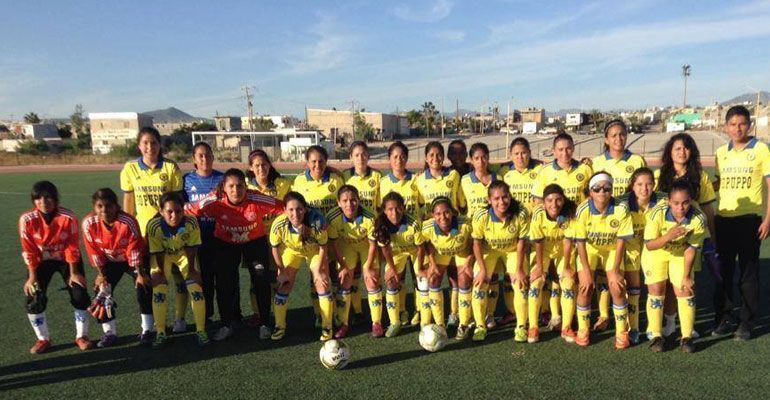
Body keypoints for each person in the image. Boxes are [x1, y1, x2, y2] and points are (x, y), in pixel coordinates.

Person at [186, 168, 285, 341]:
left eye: (240, 186)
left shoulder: (256, 199)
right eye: (231, 186)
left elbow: (285, 207)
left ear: (246, 187)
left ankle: (264, 323)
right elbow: (189, 210)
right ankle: (227, 324)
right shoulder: (214, 200)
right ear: (223, 187)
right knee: (225, 283)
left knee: (261, 279)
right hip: (225, 243)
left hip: (254, 242)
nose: (236, 190)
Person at [120, 126, 185, 342]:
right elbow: (128, 205)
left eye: (154, 142)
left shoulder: (170, 167)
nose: (150, 147)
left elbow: (177, 203)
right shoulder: (130, 169)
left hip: (169, 232)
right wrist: (130, 231)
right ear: (139, 145)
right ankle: (151, 326)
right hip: (143, 235)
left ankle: (179, 320)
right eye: (145, 143)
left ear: (160, 145)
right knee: (147, 279)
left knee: (176, 276)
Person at [712, 105, 770, 340]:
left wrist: (768, 219)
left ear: (750, 125)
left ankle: (746, 323)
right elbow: (717, 185)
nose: (737, 128)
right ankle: (725, 317)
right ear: (726, 127)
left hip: (749, 221)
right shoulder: (720, 153)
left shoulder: (761, 150)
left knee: (748, 274)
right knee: (722, 273)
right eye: (733, 124)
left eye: (742, 123)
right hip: (723, 219)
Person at [19, 181, 92, 354]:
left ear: (56, 199)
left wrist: (74, 273)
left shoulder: (68, 217)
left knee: (79, 293)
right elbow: (29, 249)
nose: (44, 201)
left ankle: (82, 336)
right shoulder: (27, 220)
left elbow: (72, 246)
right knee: (34, 298)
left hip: (66, 260)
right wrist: (32, 277)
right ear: (34, 200)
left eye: (48, 197)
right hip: (40, 262)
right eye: (39, 198)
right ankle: (43, 339)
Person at [655, 133, 716, 338]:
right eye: (677, 148)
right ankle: (670, 323)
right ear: (670, 152)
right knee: (670, 285)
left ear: (692, 151)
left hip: (692, 236)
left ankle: (688, 326)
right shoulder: (659, 176)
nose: (682, 152)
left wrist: (712, 238)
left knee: (687, 279)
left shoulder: (700, 176)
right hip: (667, 237)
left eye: (686, 148)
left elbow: (707, 208)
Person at [81, 188, 152, 348]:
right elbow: (93, 251)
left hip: (132, 260)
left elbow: (135, 249)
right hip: (109, 262)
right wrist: (101, 275)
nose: (104, 210)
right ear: (94, 207)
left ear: (117, 206)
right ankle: (109, 333)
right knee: (102, 292)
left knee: (144, 287)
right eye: (100, 206)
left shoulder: (127, 221)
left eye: (109, 206)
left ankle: (147, 330)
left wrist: (140, 274)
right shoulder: (88, 224)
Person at [644, 180, 709, 353]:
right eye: (676, 203)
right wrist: (668, 236)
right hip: (656, 252)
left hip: (680, 254)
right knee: (656, 289)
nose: (681, 208)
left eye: (685, 202)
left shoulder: (698, 219)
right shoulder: (656, 213)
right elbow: (649, 245)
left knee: (685, 289)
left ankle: (686, 337)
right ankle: (656, 335)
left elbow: (691, 249)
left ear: (691, 200)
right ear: (669, 201)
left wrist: (687, 275)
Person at [573, 172, 634, 349]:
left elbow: (622, 242)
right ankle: (583, 330)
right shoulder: (583, 209)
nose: (602, 192)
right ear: (590, 192)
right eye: (597, 189)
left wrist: (615, 269)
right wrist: (585, 271)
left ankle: (622, 332)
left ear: (611, 191)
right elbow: (581, 244)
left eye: (607, 189)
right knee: (585, 287)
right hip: (590, 251)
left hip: (613, 251)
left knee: (616, 285)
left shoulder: (621, 209)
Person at [269, 192, 334, 341]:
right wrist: (281, 270)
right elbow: (275, 247)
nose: (295, 213)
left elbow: (324, 245)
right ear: (284, 210)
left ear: (305, 209)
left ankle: (327, 326)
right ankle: (280, 326)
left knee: (322, 282)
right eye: (290, 210)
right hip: (293, 251)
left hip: (315, 251)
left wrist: (318, 270)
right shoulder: (279, 224)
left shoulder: (317, 221)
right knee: (284, 285)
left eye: (299, 209)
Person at [146, 193, 208, 348]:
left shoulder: (191, 222)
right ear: (161, 211)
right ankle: (160, 331)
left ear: (183, 210)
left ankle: (201, 330)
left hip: (184, 254)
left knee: (196, 288)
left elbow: (192, 247)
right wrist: (160, 273)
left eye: (178, 211)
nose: (174, 215)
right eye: (169, 211)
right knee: (159, 289)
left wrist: (192, 270)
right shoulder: (154, 226)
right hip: (164, 256)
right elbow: (157, 251)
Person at [291, 145, 344, 325]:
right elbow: (295, 207)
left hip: (334, 236)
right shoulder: (299, 182)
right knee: (317, 276)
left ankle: (336, 312)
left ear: (326, 161)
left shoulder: (336, 180)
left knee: (334, 276)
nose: (317, 165)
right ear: (307, 162)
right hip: (312, 238)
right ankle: (317, 313)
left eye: (321, 161)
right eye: (313, 161)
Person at [470, 181, 529, 342]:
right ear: (489, 200)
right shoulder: (481, 216)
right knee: (479, 284)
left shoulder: (520, 213)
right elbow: (476, 243)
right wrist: (482, 270)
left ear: (510, 196)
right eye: (496, 199)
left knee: (520, 284)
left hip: (512, 251)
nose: (501, 202)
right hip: (489, 251)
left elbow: (521, 242)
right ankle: (480, 326)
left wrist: (519, 269)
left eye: (504, 197)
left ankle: (522, 326)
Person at [416, 141, 466, 327]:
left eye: (439, 155)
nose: (435, 159)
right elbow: (420, 207)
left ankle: (454, 313)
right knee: (434, 275)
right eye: (431, 155)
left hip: (454, 231)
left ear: (443, 157)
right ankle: (430, 317)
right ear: (426, 158)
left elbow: (460, 204)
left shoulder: (453, 175)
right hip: (433, 236)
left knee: (455, 276)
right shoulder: (420, 180)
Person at [500, 137, 543, 327]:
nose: (520, 157)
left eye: (524, 153)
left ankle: (543, 310)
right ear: (511, 155)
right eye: (516, 153)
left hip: (535, 229)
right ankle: (513, 311)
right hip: (514, 230)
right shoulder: (503, 173)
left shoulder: (540, 170)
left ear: (530, 153)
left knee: (538, 272)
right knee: (515, 274)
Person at [327, 185, 380, 338]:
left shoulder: (370, 217)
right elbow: (334, 244)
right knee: (345, 280)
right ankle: (344, 323)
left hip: (365, 247)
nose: (349, 204)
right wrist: (343, 266)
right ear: (338, 202)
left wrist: (368, 267)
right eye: (345, 201)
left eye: (353, 200)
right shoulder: (333, 218)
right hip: (346, 246)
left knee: (371, 280)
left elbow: (372, 244)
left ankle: (376, 323)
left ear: (358, 200)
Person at [246, 149, 291, 329]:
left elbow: (294, 202)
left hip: (277, 240)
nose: (261, 168)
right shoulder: (246, 186)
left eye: (264, 164)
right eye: (256, 165)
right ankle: (258, 313)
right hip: (254, 239)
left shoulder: (282, 184)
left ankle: (275, 311)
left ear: (269, 165)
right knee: (255, 278)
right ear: (251, 168)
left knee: (274, 277)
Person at [528, 184, 578, 343]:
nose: (554, 204)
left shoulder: (569, 213)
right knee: (536, 283)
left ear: (563, 200)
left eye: (558, 200)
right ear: (543, 202)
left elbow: (567, 240)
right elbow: (538, 241)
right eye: (549, 200)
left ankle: (566, 327)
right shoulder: (538, 213)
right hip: (543, 251)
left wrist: (567, 267)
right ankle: (533, 327)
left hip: (563, 252)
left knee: (568, 284)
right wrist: (541, 268)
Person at [379, 141, 422, 326]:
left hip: (415, 235)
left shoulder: (417, 180)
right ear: (389, 159)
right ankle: (402, 311)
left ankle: (420, 310)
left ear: (407, 158)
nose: (399, 160)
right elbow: (380, 210)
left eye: (402, 156)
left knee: (419, 277)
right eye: (395, 156)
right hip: (394, 238)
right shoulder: (383, 183)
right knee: (397, 277)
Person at [182, 142, 224, 330]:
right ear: (194, 159)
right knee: (203, 279)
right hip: (197, 238)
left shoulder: (222, 179)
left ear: (213, 157)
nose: (204, 159)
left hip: (220, 236)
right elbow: (181, 209)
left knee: (224, 279)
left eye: (208, 155)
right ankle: (205, 316)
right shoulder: (186, 180)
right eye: (200, 155)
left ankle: (231, 316)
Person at [621, 167, 664, 344]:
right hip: (631, 248)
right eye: (639, 184)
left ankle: (654, 329)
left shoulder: (663, 201)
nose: (644, 188)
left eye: (648, 184)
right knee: (634, 287)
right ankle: (634, 327)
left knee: (655, 287)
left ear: (654, 185)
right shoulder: (623, 204)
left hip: (652, 249)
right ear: (632, 185)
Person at [374, 192, 425, 337]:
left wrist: (420, 268)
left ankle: (422, 313)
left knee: (423, 279)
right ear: (384, 211)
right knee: (390, 280)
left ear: (403, 208)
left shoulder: (413, 222)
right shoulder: (381, 225)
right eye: (390, 209)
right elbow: (386, 250)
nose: (394, 213)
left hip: (415, 251)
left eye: (397, 209)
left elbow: (421, 248)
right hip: (396, 253)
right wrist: (393, 270)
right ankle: (395, 321)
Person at [342, 142, 382, 323]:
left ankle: (377, 319)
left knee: (372, 275)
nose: (360, 158)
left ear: (369, 156)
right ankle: (357, 311)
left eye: (364, 154)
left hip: (370, 233)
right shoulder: (344, 177)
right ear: (351, 157)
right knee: (352, 275)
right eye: (356, 155)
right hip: (349, 234)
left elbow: (380, 205)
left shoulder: (377, 176)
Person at [420, 197, 474, 329]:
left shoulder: (466, 224)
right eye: (438, 214)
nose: (443, 217)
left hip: (463, 252)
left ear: (453, 212)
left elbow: (477, 242)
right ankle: (440, 324)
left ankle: (463, 324)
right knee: (432, 278)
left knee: (464, 279)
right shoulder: (427, 228)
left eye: (446, 212)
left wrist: (468, 263)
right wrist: (432, 263)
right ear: (433, 215)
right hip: (441, 253)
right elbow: (426, 243)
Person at [532, 133, 593, 205]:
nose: (565, 153)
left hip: (579, 215)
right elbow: (538, 200)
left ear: (573, 148)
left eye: (568, 148)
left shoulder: (585, 169)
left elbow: (592, 196)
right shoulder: (545, 171)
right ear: (554, 151)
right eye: (560, 149)